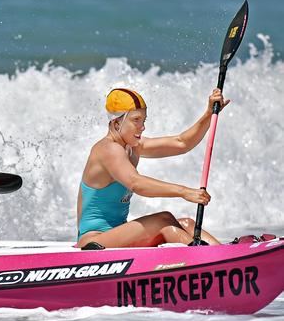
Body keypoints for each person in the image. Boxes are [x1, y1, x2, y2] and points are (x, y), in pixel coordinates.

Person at [77, 88, 228, 248]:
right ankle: (205, 257)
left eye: (144, 120)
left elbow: (182, 143)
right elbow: (136, 183)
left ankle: (227, 253)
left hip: (117, 233)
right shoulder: (108, 149)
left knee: (187, 224)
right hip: (94, 240)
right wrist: (184, 191)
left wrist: (209, 113)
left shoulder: (133, 146)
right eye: (136, 120)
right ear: (117, 123)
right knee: (163, 220)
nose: (142, 127)